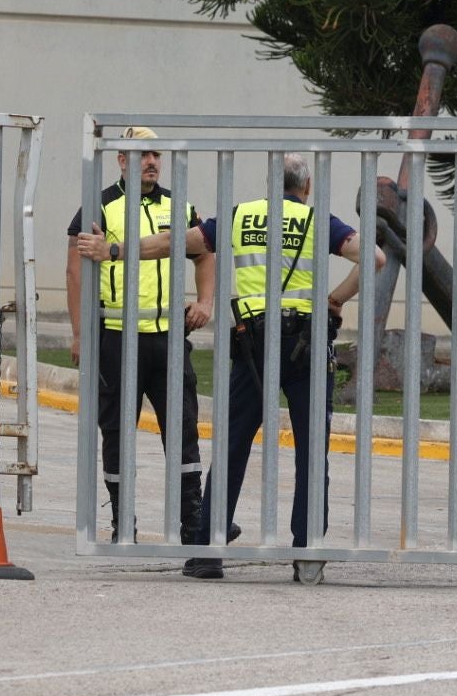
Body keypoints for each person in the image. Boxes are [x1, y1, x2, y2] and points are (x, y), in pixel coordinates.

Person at [81, 152, 381, 580]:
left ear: (269, 184)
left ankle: (208, 551)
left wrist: (114, 249)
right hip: (306, 346)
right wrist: (335, 300)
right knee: (312, 450)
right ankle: (307, 552)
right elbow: (374, 259)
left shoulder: (241, 217)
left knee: (233, 445)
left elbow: (173, 243)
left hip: (254, 346)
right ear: (307, 186)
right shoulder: (319, 221)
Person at [66, 126, 214, 545]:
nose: (150, 162)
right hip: (116, 337)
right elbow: (75, 271)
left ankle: (193, 525)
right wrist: (80, 334)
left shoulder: (178, 205)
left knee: (183, 429)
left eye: (155, 155)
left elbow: (206, 253)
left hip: (168, 336)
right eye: (141, 154)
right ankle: (122, 525)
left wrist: (205, 302)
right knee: (116, 432)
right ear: (121, 161)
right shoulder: (101, 206)